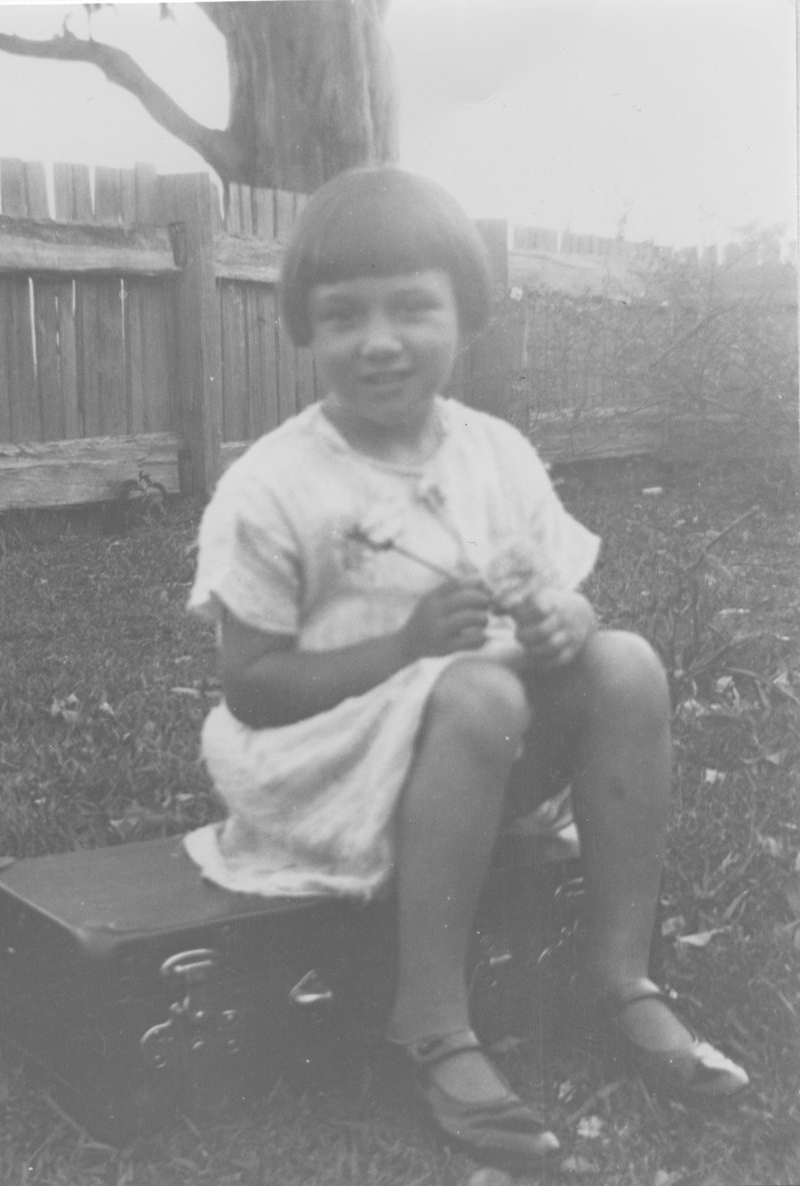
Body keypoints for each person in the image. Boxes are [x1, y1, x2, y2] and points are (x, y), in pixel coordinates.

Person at [182, 166, 748, 1171]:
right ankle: (431, 1018)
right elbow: (250, 687)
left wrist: (564, 621)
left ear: (466, 319)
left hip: (473, 742)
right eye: (343, 315)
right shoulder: (272, 484)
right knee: (482, 688)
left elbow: (568, 593)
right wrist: (402, 650)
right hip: (316, 766)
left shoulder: (497, 454)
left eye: (412, 307)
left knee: (626, 664)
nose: (380, 339)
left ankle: (621, 975)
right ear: (303, 331)